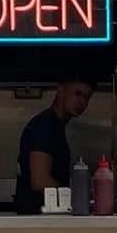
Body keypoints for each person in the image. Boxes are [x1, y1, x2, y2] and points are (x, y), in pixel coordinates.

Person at [13, 80, 93, 214]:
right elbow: (39, 180)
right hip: (37, 218)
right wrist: (74, 197)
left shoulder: (54, 126)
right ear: (61, 90)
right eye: (78, 94)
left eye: (87, 97)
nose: (82, 102)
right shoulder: (45, 126)